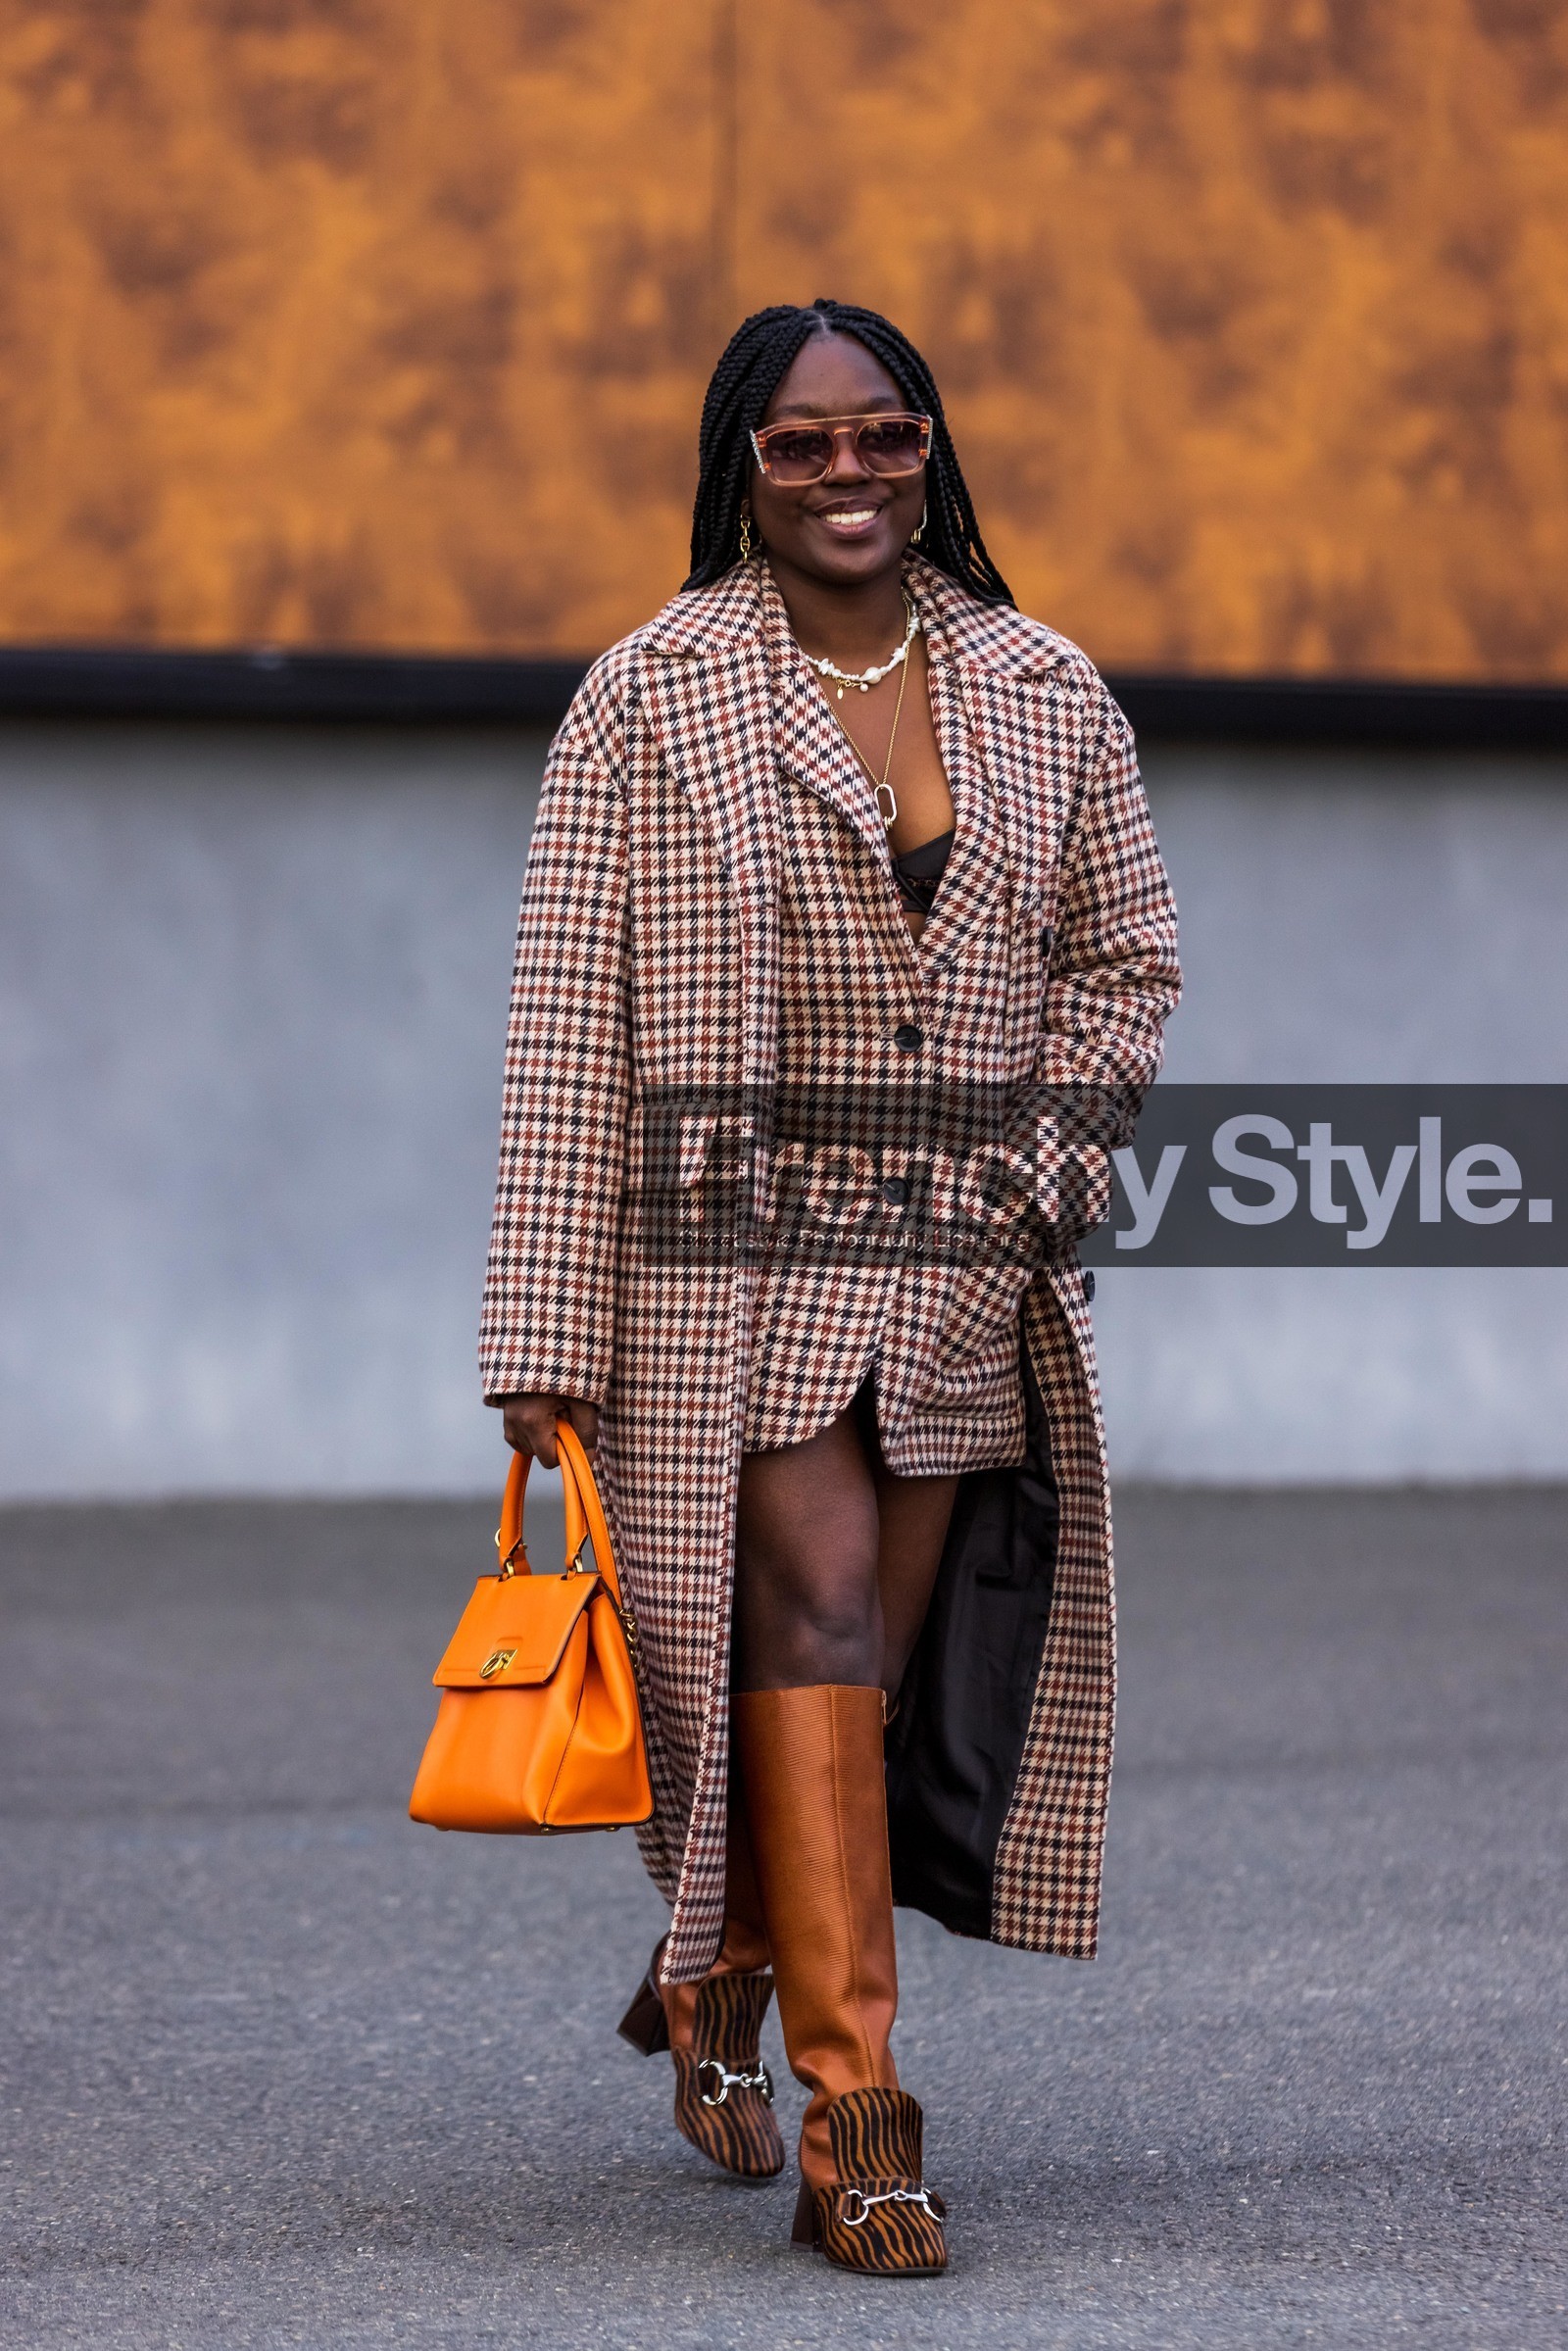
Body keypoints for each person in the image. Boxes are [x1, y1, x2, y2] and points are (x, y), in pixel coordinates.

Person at [480, 298, 1180, 2276]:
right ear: (741, 467)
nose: (847, 473)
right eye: (801, 446)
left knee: (856, 1679)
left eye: (883, 437)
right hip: (728, 1263)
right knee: (816, 1606)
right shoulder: (649, 693)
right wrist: (537, 1329)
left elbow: (1124, 961)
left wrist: (1038, 1182)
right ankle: (857, 2124)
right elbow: (564, 1016)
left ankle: (713, 1967)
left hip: (957, 1266)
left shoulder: (1042, 689)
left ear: (932, 449)